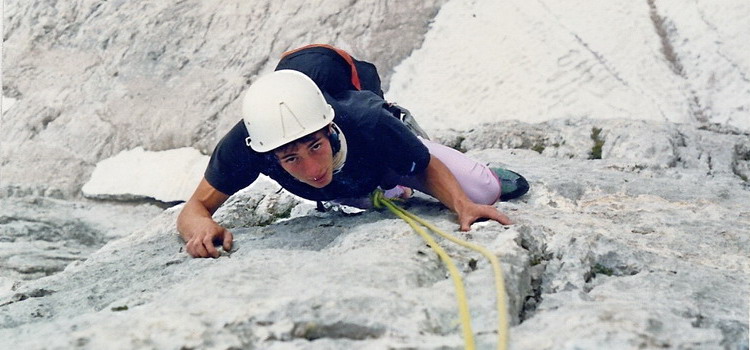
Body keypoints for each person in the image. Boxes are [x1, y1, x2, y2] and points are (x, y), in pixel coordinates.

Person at [177, 45, 528, 258]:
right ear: (270, 155)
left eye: (315, 146)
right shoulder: (250, 142)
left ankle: (484, 175)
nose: (312, 168)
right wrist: (201, 230)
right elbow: (195, 208)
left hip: (379, 151)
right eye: (291, 158)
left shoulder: (368, 120)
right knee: (351, 187)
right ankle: (383, 191)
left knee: (483, 191)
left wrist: (463, 206)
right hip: (350, 179)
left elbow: (425, 165)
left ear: (329, 128)